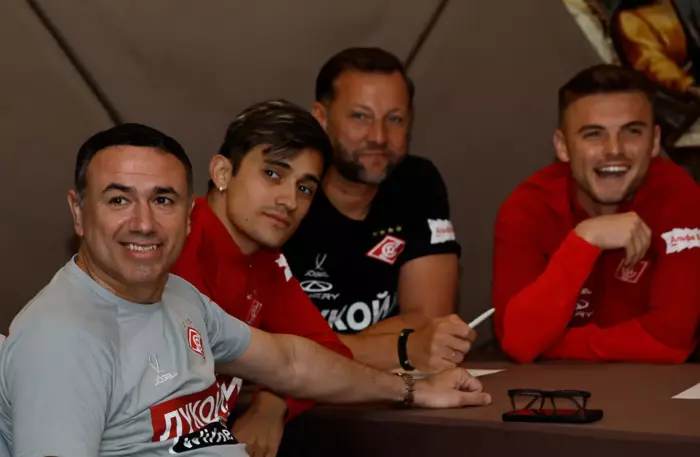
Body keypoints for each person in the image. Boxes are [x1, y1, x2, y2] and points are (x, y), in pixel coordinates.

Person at [0, 123, 491, 457]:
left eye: (163, 200)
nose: (144, 223)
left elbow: (292, 363)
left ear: (188, 214)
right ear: (78, 212)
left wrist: (415, 389)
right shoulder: (62, 339)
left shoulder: (178, 297)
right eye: (118, 200)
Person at [170, 99, 353, 456]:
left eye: (304, 188)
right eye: (273, 174)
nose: (289, 200)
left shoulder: (265, 256)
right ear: (222, 173)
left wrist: (274, 403)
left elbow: (329, 355)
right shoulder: (177, 240)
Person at [282, 47, 476, 375]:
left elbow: (430, 320)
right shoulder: (285, 187)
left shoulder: (417, 182)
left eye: (394, 119)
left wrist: (319, 353)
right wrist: (399, 348)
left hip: (381, 388)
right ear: (321, 118)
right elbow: (262, 342)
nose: (379, 137)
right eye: (360, 116)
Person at [492, 64, 700, 364]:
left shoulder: (680, 197)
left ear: (654, 141)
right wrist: (585, 239)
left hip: (653, 390)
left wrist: (550, 346)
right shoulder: (528, 208)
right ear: (563, 147)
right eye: (593, 134)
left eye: (632, 132)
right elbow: (518, 341)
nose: (614, 150)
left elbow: (669, 341)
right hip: (556, 390)